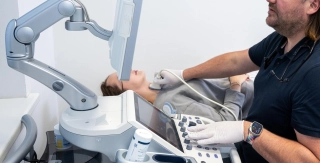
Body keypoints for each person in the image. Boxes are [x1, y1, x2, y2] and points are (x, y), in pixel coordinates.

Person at [153, 0, 320, 163]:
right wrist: (184, 74)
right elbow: (234, 61)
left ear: (312, 6)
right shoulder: (284, 40)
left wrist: (248, 131)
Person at [100, 70, 254, 121]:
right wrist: (236, 84)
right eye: (121, 79)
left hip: (258, 86)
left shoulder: (165, 83)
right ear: (126, 95)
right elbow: (226, 121)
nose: (128, 71)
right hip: (262, 106)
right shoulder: (168, 104)